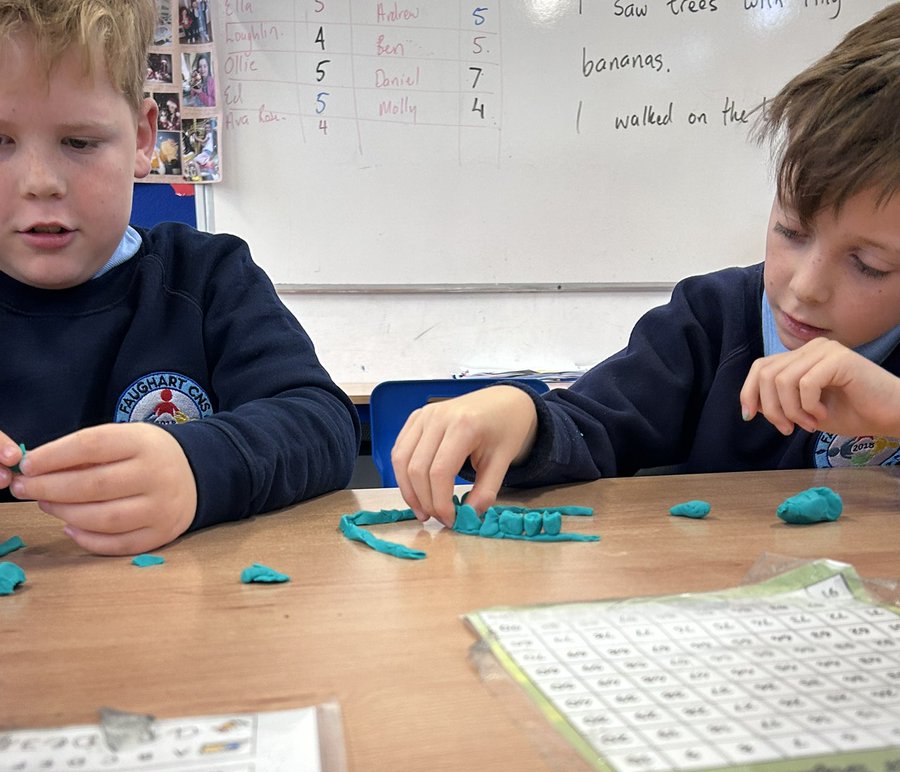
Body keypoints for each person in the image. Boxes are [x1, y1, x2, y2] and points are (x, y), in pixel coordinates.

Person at [391, 3, 900, 529]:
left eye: (869, 265)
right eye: (790, 231)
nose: (806, 286)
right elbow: (592, 427)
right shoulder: (708, 322)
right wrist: (519, 416)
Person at [0, 0, 359, 555]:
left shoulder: (209, 278)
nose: (40, 182)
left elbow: (325, 427)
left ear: (144, 140)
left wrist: (198, 467)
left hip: (190, 619)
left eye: (79, 142)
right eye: (0, 142)